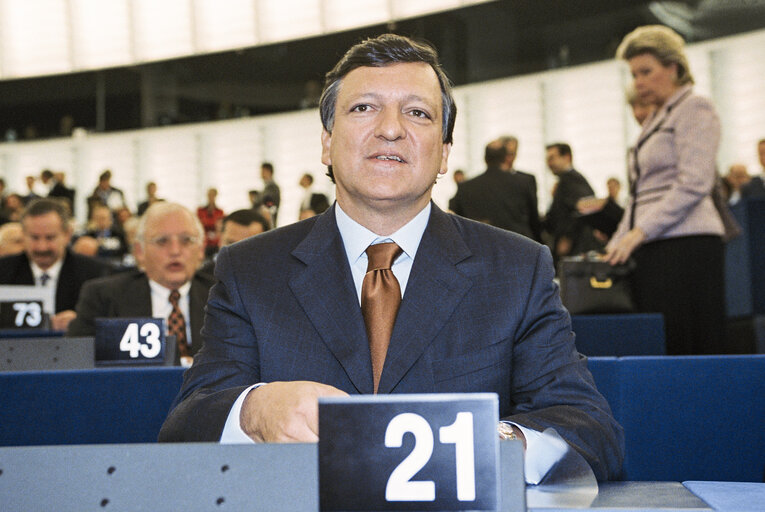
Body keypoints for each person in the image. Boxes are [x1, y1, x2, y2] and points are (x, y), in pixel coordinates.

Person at [159, 33, 623, 482]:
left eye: (417, 113)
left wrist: (496, 442)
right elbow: (185, 427)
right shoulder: (251, 270)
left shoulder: (517, 269)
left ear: (443, 153)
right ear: (326, 141)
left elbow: (590, 429)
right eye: (364, 108)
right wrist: (256, 411)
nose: (390, 129)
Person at [606, 25, 725, 355]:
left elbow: (694, 183)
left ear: (673, 67)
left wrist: (637, 233)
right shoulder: (659, 116)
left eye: (646, 71)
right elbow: (640, 193)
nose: (638, 83)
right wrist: (618, 241)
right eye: (634, 74)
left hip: (688, 245)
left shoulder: (695, 107)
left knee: (689, 346)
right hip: (655, 245)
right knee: (665, 346)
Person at [67, 202, 212, 366]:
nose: (175, 251)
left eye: (186, 240)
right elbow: (74, 363)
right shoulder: (103, 296)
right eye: (162, 241)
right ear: (139, 251)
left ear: (201, 250)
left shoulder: (225, 296)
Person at [0, 198, 111, 330]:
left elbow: (109, 324)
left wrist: (82, 321)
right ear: (23, 235)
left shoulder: (96, 274)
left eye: (50, 238)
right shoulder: (3, 271)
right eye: (34, 238)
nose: (42, 247)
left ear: (67, 235)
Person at [450, 138, 541, 241]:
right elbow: (534, 220)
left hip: (481, 245)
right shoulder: (524, 182)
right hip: (519, 245)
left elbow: (456, 219)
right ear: (505, 158)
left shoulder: (466, 187)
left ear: (485, 159)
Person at [543, 143, 601, 261]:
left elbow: (583, 209)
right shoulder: (566, 180)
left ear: (567, 157)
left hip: (577, 246)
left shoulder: (571, 180)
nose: (549, 163)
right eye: (547, 159)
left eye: (552, 158)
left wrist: (567, 237)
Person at [199, 208, 269, 277]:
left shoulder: (276, 280)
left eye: (249, 247)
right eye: (232, 245)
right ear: (220, 239)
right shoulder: (200, 281)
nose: (238, 255)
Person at [197, 187, 224, 259]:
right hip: (203, 242)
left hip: (215, 243)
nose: (210, 197)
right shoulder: (200, 210)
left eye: (212, 195)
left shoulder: (220, 212)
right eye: (209, 195)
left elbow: (220, 228)